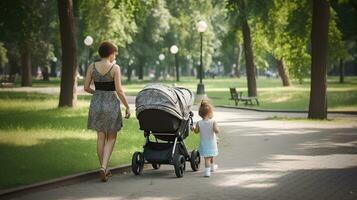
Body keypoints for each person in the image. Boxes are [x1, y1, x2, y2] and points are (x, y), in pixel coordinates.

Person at [84, 41, 130, 182]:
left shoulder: (92, 66)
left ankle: (103, 168)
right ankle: (104, 167)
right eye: (114, 53)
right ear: (111, 53)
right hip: (111, 105)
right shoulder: (115, 68)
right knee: (112, 137)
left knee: (100, 136)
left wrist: (97, 93)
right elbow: (119, 90)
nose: (114, 55)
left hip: (97, 104)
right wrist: (127, 106)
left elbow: (86, 87)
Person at [191, 100, 219, 177]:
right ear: (210, 113)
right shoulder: (213, 122)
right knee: (209, 157)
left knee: (208, 156)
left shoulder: (199, 123)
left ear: (200, 114)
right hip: (212, 143)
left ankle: (212, 167)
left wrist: (193, 129)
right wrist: (217, 129)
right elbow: (216, 131)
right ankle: (207, 171)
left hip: (204, 143)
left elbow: (196, 131)